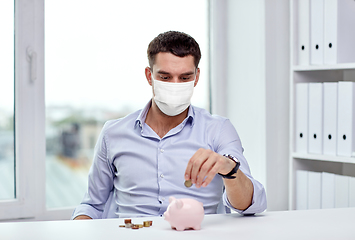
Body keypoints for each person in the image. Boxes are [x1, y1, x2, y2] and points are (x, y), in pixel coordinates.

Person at [72, 31, 267, 220]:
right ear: (149, 76)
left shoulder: (218, 129)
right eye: (165, 77)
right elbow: (92, 205)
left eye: (184, 78)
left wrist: (229, 168)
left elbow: (251, 205)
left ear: (197, 77)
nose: (175, 85)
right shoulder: (113, 133)